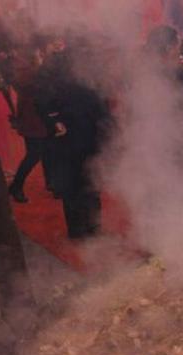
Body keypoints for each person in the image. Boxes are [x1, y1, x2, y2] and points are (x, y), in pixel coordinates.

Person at [35, 37, 112, 240]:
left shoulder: (86, 65)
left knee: (88, 183)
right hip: (70, 134)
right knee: (77, 184)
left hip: (84, 133)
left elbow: (100, 99)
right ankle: (81, 230)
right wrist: (54, 121)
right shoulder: (54, 67)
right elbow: (42, 100)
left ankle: (91, 229)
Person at [8, 34, 53, 203]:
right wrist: (41, 68)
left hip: (36, 116)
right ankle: (16, 185)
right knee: (34, 154)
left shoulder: (29, 64)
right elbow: (27, 85)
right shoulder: (25, 67)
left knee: (44, 150)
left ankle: (51, 183)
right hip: (32, 117)